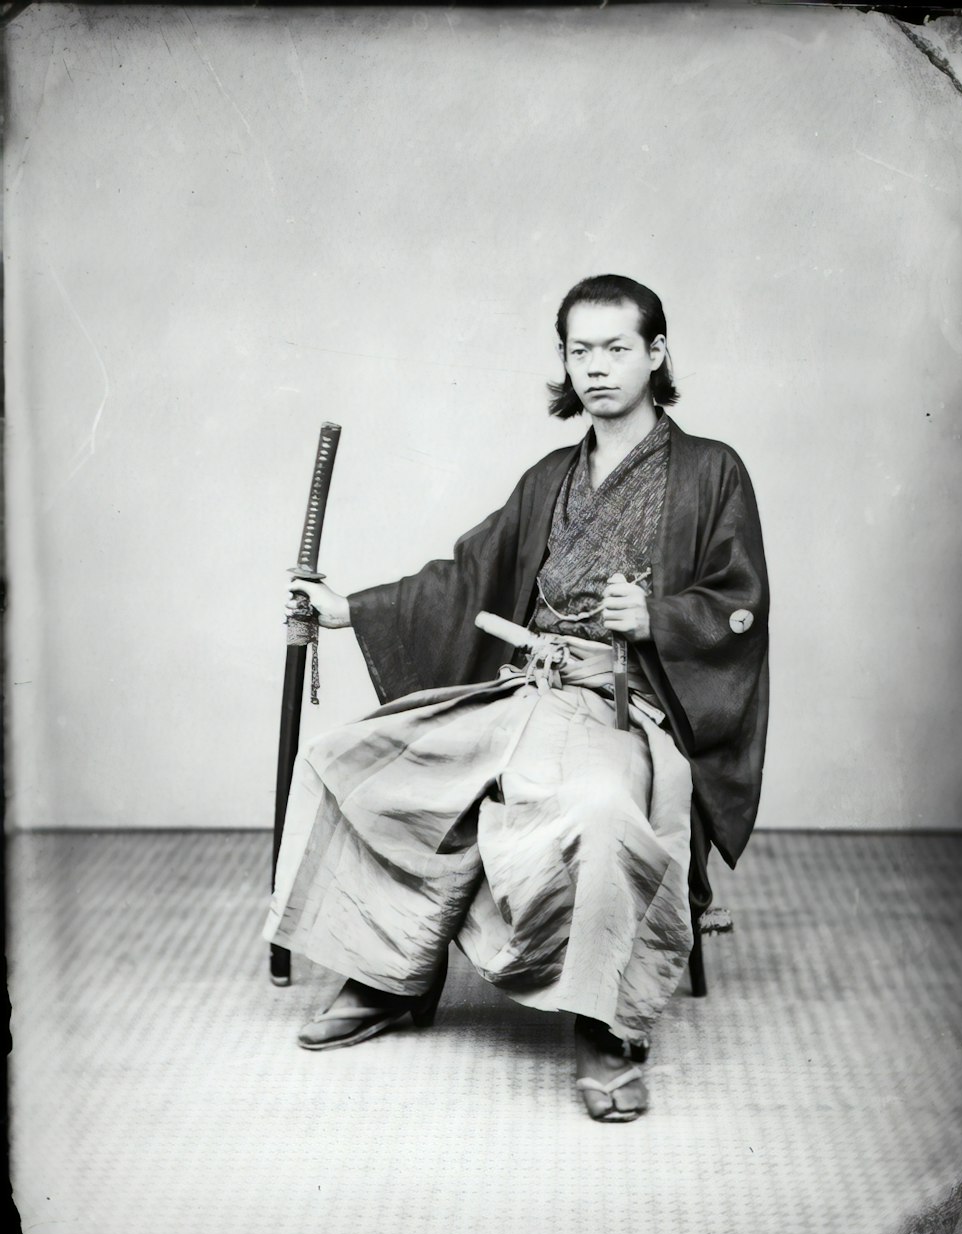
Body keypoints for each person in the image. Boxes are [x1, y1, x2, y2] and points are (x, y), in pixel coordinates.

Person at [263, 274, 769, 1122]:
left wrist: (659, 615)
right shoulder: (549, 476)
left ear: (656, 353)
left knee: (607, 811)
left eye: (617, 347)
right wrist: (350, 610)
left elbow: (740, 605)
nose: (597, 367)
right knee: (350, 762)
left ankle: (605, 1023)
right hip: (519, 691)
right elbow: (470, 577)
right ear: (564, 363)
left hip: (618, 704)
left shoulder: (712, 472)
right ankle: (393, 976)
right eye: (580, 350)